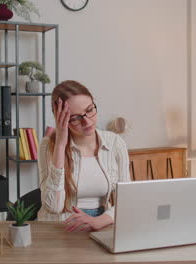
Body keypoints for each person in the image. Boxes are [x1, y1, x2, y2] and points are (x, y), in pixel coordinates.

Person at [37, 80, 131, 232]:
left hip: (101, 224)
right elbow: (54, 207)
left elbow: (127, 200)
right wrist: (60, 144)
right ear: (61, 119)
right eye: (75, 118)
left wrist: (99, 221)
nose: (87, 121)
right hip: (58, 227)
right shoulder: (48, 145)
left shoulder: (115, 143)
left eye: (89, 110)